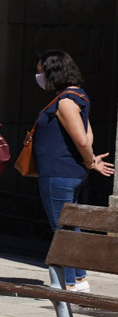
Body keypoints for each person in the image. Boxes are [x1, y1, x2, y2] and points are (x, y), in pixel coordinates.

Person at [32, 50, 114, 292]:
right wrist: (90, 160)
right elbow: (87, 136)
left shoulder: (66, 101)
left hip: (59, 173)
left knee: (61, 229)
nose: (38, 75)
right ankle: (78, 279)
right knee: (70, 225)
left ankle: (67, 283)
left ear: (52, 71)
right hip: (68, 172)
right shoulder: (78, 96)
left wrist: (90, 161)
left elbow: (82, 140)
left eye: (40, 70)